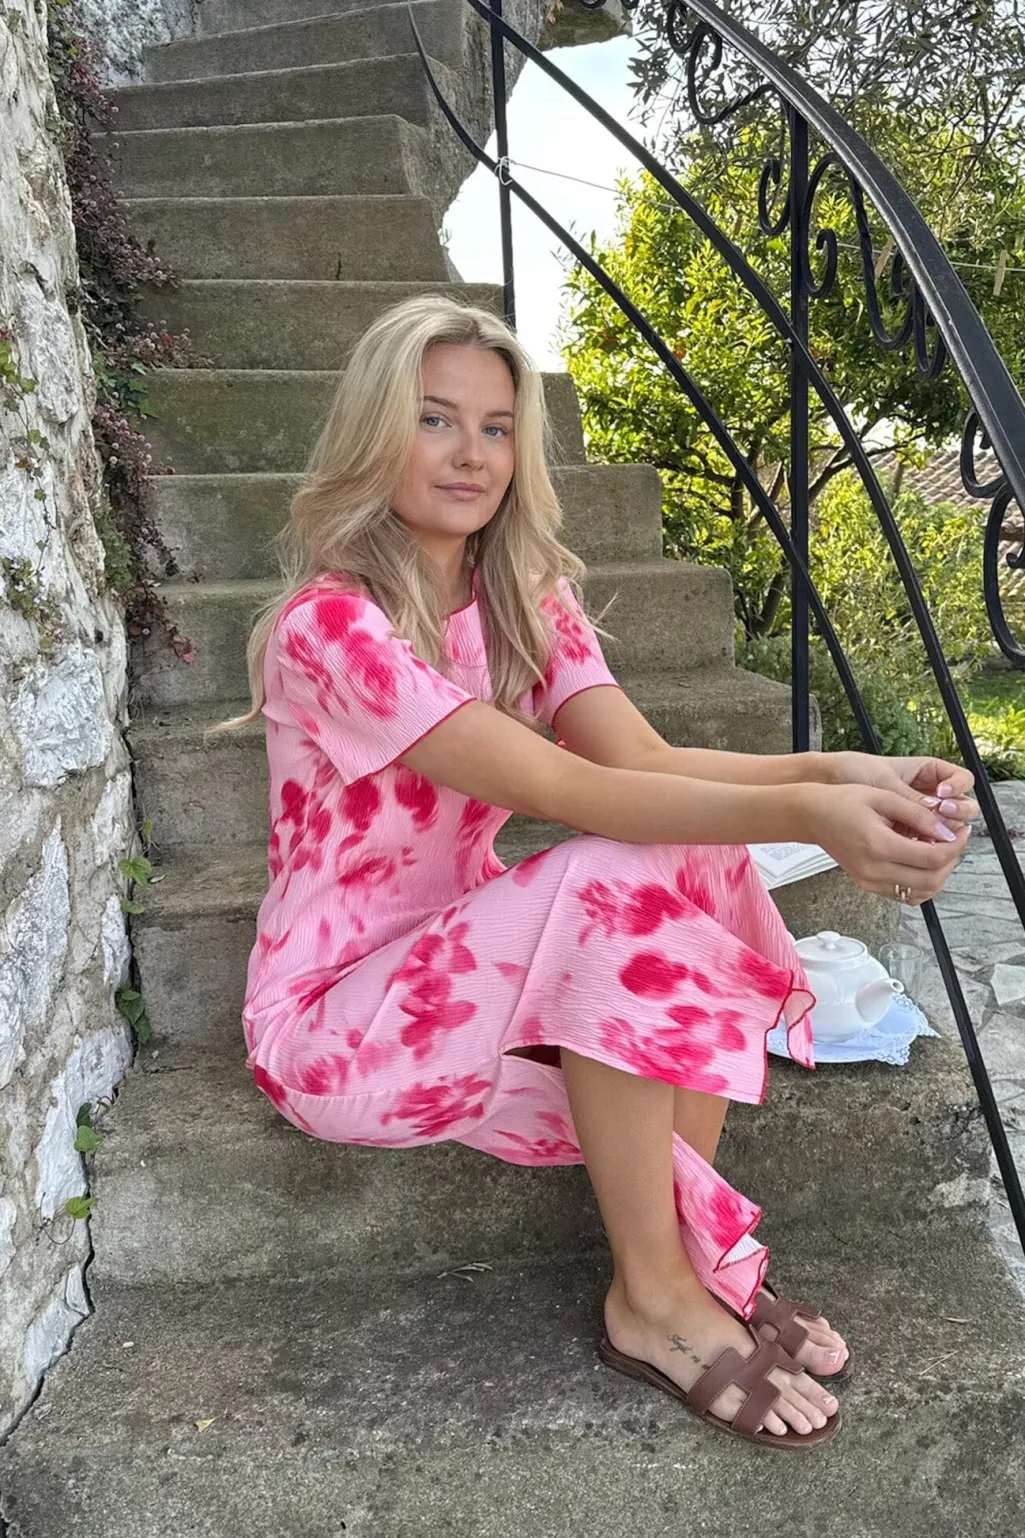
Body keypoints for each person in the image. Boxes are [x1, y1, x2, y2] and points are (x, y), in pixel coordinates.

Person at [209, 295, 976, 1449]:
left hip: (462, 971)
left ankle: (686, 1256)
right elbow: (568, 790)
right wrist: (817, 815)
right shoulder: (333, 627)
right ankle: (652, 1296)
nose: (471, 454)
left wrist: (840, 769)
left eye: (496, 427)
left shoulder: (520, 595)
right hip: (339, 1020)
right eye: (434, 419)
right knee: (603, 874)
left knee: (687, 842)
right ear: (375, 428)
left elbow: (644, 763)